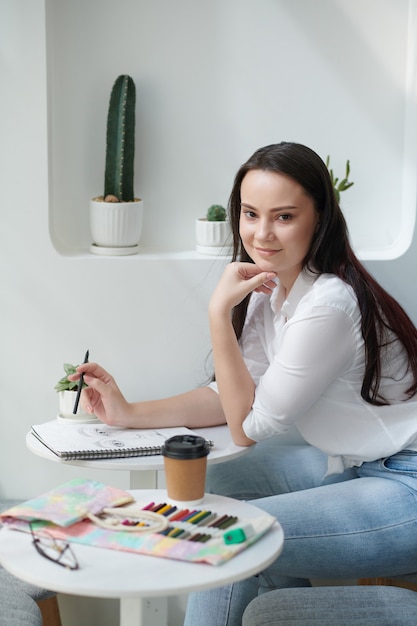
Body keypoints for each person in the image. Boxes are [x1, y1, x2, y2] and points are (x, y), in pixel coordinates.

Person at [70, 142, 417, 625]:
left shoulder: (329, 303)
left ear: (320, 218)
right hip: (354, 465)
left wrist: (217, 314)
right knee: (219, 483)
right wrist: (128, 412)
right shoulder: (274, 285)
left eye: (284, 216)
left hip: (406, 483)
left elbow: (247, 427)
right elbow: (228, 394)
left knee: (225, 533)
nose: (262, 233)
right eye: (250, 214)